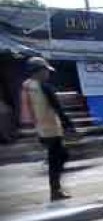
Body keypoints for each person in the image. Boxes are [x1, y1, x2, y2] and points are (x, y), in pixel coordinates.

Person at [21, 56, 73, 201]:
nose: (48, 74)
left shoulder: (27, 86)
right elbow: (58, 108)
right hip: (52, 129)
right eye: (46, 71)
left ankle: (55, 189)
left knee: (57, 157)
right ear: (38, 71)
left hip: (41, 130)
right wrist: (69, 125)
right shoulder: (44, 87)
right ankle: (55, 191)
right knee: (59, 158)